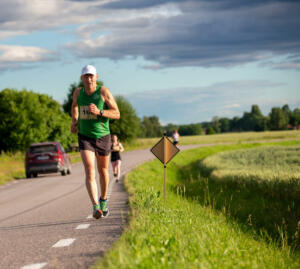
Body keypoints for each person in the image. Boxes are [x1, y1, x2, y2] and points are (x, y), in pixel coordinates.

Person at [71, 65, 120, 219]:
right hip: (85, 137)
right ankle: (95, 206)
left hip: (103, 136)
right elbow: (74, 106)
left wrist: (99, 112)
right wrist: (75, 120)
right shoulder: (78, 92)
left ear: (96, 77)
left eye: (91, 76)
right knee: (89, 169)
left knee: (103, 171)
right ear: (82, 79)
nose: (89, 79)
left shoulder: (103, 92)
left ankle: (103, 200)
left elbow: (117, 114)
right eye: (86, 76)